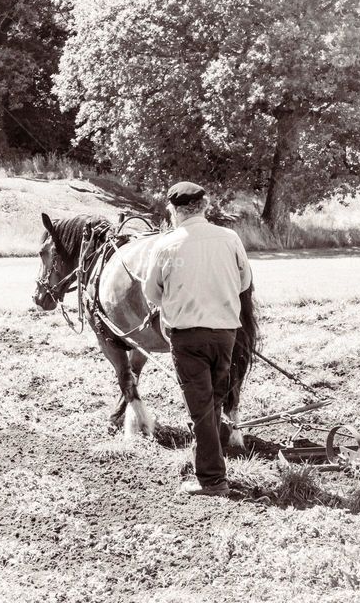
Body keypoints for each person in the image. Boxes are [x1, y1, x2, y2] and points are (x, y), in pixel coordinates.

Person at [142, 181, 253, 497]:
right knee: (213, 402)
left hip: (188, 337)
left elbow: (151, 292)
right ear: (205, 207)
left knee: (202, 408)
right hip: (226, 335)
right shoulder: (229, 238)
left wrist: (174, 300)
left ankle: (212, 480)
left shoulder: (166, 245)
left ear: (174, 210)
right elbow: (244, 281)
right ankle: (210, 462)